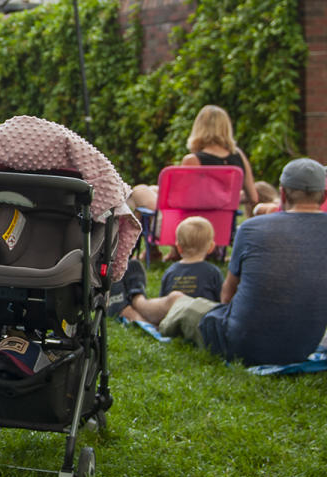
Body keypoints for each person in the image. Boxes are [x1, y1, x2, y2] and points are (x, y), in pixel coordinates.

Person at [159, 158, 327, 365]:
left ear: (282, 193)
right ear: (324, 195)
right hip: (304, 346)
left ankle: (134, 306)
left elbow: (227, 294)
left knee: (178, 301)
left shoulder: (252, 228)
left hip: (242, 346)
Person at [130, 104, 257, 215]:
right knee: (153, 189)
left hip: (185, 225)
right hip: (223, 226)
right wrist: (226, 198)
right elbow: (253, 197)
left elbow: (177, 200)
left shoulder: (193, 161)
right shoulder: (238, 155)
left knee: (140, 190)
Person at [160, 217, 223, 301]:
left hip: (176, 313)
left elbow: (163, 301)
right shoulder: (213, 273)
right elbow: (222, 301)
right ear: (211, 247)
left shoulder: (170, 272)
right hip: (205, 313)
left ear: (179, 248)